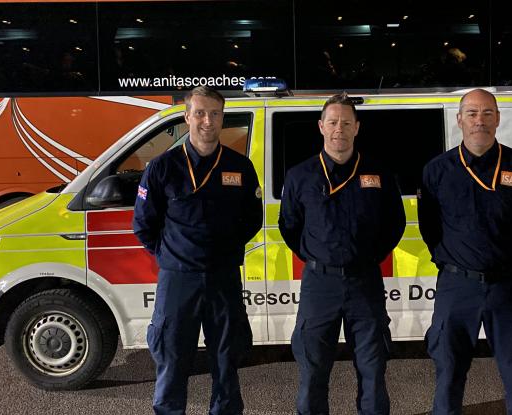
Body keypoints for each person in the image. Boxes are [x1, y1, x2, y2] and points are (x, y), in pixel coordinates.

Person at [417, 89, 512, 415]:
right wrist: (455, 262)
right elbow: (429, 227)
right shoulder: (437, 170)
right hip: (456, 287)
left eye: (488, 113)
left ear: (498, 119)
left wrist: (510, 259)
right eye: (473, 114)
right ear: (460, 120)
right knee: (448, 370)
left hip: (508, 286)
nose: (480, 121)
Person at [133, 86, 263, 415]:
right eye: (201, 113)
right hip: (178, 281)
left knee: (227, 359)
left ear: (223, 118)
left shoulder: (240, 167)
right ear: (188, 116)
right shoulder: (162, 168)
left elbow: (252, 220)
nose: (208, 120)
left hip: (223, 279)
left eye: (215, 114)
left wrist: (226, 251)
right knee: (172, 360)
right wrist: (171, 257)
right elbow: (144, 225)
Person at [278, 93, 406, 415]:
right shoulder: (299, 176)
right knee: (313, 370)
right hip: (319, 285)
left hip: (365, 282)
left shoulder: (378, 173)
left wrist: (366, 257)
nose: (339, 129)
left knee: (373, 369)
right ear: (321, 126)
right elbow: (290, 226)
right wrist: (317, 256)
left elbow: (395, 223)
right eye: (333, 122)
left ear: (357, 127)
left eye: (346, 123)